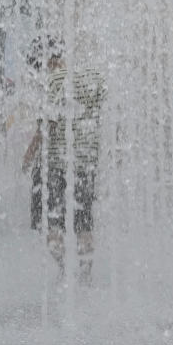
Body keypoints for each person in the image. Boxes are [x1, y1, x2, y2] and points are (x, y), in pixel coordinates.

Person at [23, 39, 107, 285]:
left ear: (47, 61)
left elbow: (46, 126)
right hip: (85, 161)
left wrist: (28, 156)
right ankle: (85, 273)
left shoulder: (54, 80)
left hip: (55, 164)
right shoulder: (94, 75)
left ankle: (62, 270)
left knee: (52, 222)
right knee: (84, 221)